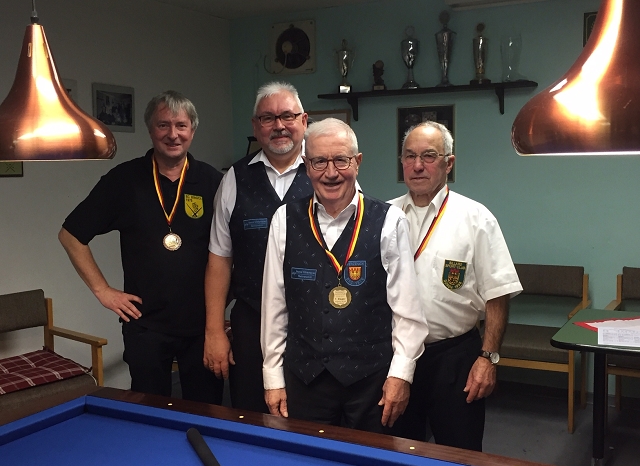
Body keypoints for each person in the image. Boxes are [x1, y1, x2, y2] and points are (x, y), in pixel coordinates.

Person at [261, 118, 428, 433]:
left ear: (358, 162)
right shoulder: (284, 219)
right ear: (306, 165)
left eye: (341, 160)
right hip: (304, 379)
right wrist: (272, 377)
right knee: (307, 457)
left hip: (371, 383)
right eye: (319, 162)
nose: (331, 172)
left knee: (371, 459)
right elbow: (274, 307)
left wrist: (400, 375)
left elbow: (407, 311)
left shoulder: (389, 220)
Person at [59, 90, 224, 404]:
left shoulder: (214, 182)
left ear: (192, 131)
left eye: (181, 125)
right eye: (163, 125)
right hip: (145, 325)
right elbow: (71, 235)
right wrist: (102, 290)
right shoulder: (124, 180)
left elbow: (229, 251)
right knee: (150, 411)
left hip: (202, 326)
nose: (173, 134)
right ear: (150, 130)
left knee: (206, 411)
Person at [388, 121, 522, 451]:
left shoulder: (476, 218)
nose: (418, 165)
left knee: (459, 452)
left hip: (454, 358)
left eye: (429, 156)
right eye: (410, 156)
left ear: (449, 163)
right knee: (399, 449)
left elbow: (498, 294)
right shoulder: (384, 216)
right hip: (396, 357)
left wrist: (488, 358)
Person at [204, 82, 313, 412]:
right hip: (251, 322)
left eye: (288, 116)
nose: (279, 125)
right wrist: (214, 331)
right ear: (255, 126)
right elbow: (219, 260)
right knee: (251, 412)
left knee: (310, 417)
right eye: (268, 118)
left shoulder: (326, 171)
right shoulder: (234, 179)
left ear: (304, 121)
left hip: (312, 324)